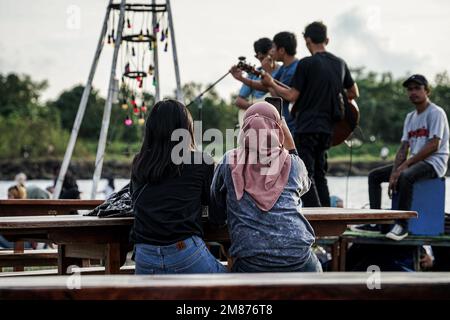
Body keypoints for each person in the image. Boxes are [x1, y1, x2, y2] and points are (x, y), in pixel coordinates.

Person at [209, 101, 322, 273]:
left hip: (251, 263)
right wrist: (290, 147)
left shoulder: (228, 161)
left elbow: (216, 212)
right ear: (277, 129)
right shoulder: (293, 163)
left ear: (245, 129)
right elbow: (304, 187)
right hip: (300, 260)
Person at [262, 22, 359, 207]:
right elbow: (354, 92)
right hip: (329, 128)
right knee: (320, 174)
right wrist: (329, 96)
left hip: (307, 126)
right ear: (327, 39)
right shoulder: (340, 63)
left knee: (304, 174)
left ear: (307, 41)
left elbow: (291, 96)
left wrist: (271, 83)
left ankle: (315, 218)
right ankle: (326, 217)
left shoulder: (306, 63)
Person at [130, 99, 226, 274]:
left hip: (144, 256)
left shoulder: (139, 162)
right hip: (184, 252)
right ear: (186, 129)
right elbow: (213, 210)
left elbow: (134, 200)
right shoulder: (201, 161)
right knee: (235, 289)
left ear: (151, 130)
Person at [357, 74, 449, 240]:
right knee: (375, 176)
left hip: (434, 163)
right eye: (410, 89)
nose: (413, 92)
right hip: (414, 162)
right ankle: (376, 221)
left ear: (427, 91)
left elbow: (434, 145)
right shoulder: (410, 117)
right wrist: (394, 171)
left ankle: (402, 226)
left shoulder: (436, 113)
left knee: (406, 176)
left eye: (417, 88)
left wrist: (404, 167)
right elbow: (403, 147)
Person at [231, 37, 277, 127]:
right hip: (258, 122)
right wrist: (257, 109)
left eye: (269, 57)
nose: (265, 61)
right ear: (257, 56)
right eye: (262, 58)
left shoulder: (282, 71)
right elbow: (239, 101)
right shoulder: (254, 74)